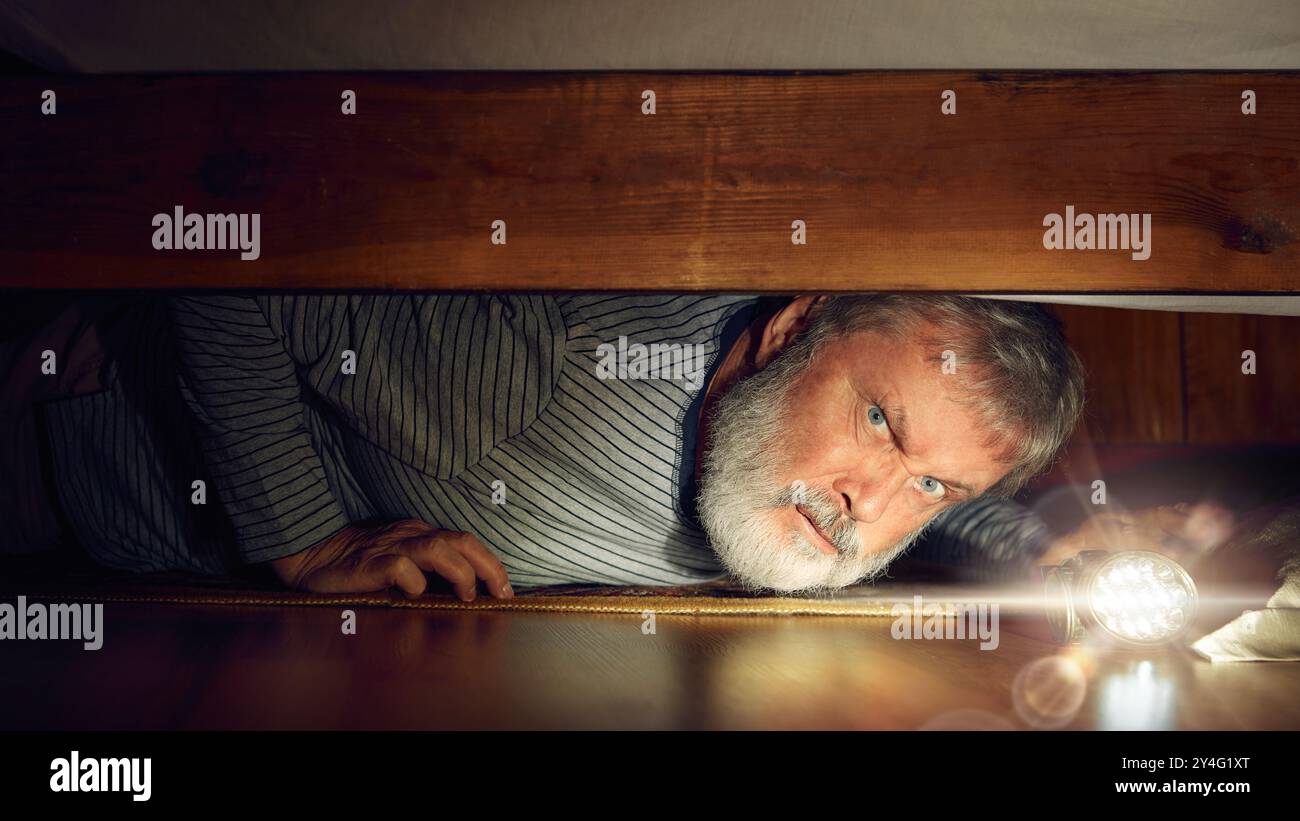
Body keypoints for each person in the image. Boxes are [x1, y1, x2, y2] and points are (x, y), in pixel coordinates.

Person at [4, 292, 1112, 597]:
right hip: (62, 465)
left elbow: (941, 483)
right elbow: (238, 278)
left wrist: (1041, 541)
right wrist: (304, 539)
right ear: (787, 331)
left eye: (921, 481)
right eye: (878, 422)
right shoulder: (542, 375)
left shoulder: (812, 458)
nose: (866, 502)